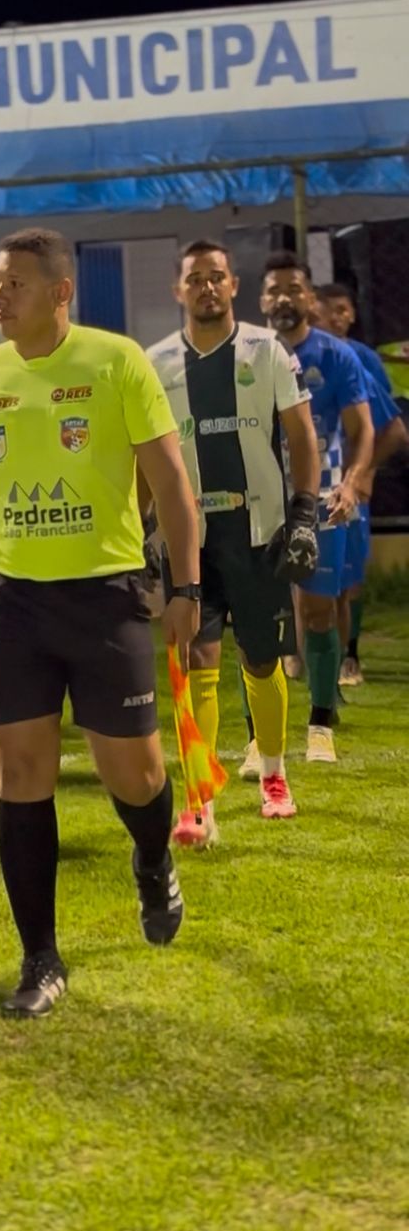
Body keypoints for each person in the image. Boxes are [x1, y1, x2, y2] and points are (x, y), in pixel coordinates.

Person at [0, 227, 200, 1020]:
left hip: (105, 598)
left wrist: (186, 587)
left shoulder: (117, 362)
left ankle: (152, 858)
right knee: (20, 775)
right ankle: (39, 958)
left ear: (60, 291)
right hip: (11, 606)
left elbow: (170, 481)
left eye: (14, 283)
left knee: (135, 776)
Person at [146, 240, 320, 845]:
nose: (207, 287)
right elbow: (144, 457)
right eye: (195, 278)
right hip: (189, 538)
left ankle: (273, 774)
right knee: (197, 656)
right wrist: (142, 528)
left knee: (261, 659)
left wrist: (304, 513)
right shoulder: (156, 363)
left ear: (233, 285)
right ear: (178, 290)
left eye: (216, 276)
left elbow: (300, 434)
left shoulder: (265, 350)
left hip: (258, 532)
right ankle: (199, 801)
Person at [260, 254, 373, 763]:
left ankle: (321, 723)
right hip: (262, 500)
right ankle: (259, 736)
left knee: (318, 610)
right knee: (259, 615)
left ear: (310, 298)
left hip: (323, 499)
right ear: (261, 299)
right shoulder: (248, 354)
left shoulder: (336, 356)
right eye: (274, 289)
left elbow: (362, 429)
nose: (284, 297)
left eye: (294, 288)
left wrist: (352, 482)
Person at [314, 283, 408, 686]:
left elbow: (388, 427)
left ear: (352, 314)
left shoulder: (359, 360)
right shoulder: (294, 356)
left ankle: (349, 656)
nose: (336, 317)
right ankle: (304, 654)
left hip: (346, 483)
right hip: (306, 484)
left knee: (347, 576)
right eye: (328, 309)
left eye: (343, 309)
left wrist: (363, 472)